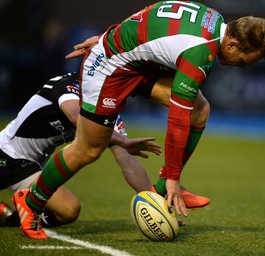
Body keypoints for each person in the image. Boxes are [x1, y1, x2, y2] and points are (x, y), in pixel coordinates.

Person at [13, 0, 265, 239]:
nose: (242, 67)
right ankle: (31, 203)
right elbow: (177, 120)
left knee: (199, 109)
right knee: (88, 150)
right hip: (110, 68)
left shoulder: (213, 18)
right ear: (232, 44)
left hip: (137, 64)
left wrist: (110, 36)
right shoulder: (200, 54)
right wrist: (174, 175)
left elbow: (150, 13)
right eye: (245, 62)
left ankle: (161, 190)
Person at [0, 72, 162, 227]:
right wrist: (125, 140)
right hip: (5, 154)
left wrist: (157, 206)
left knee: (69, 211)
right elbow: (77, 117)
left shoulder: (108, 108)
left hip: (29, 169)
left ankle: (7, 215)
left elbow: (127, 160)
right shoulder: (66, 85)